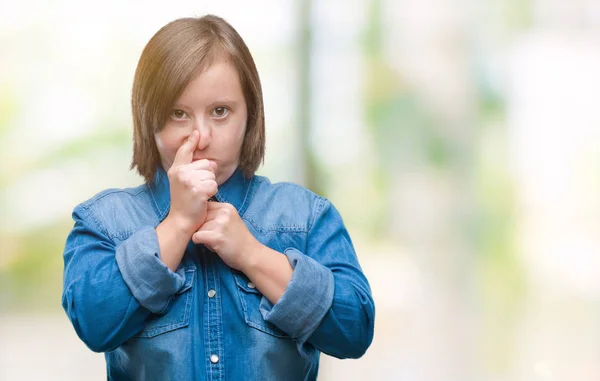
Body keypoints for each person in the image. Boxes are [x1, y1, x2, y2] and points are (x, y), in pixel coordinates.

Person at [61, 14, 374, 381]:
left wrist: (253, 255)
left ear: (250, 115)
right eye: (179, 114)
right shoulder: (104, 221)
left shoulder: (306, 217)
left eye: (220, 112)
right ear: (148, 118)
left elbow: (355, 331)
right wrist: (178, 224)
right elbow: (94, 324)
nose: (201, 135)